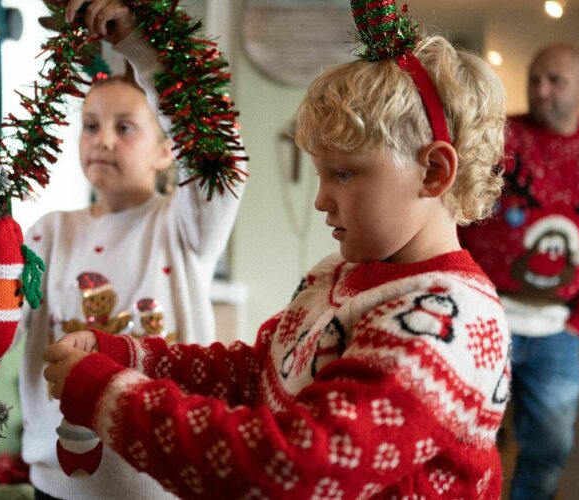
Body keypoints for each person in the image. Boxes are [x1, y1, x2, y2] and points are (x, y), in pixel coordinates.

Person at [44, 1, 511, 498]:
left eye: (344, 174)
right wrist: (127, 355)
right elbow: (256, 374)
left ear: (435, 172)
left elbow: (298, 464)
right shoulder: (338, 273)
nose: (321, 200)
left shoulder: (451, 322)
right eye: (321, 174)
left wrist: (109, 396)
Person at [16, 3, 245, 498]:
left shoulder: (181, 226)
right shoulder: (47, 233)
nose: (102, 141)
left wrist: (140, 46)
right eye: (91, 125)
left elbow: (219, 155)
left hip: (159, 483)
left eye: (125, 127)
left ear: (167, 150)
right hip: (57, 484)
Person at [459, 44, 579, 500]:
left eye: (555, 81)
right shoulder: (500, 138)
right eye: (535, 79)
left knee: (549, 447)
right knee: (463, 434)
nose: (541, 91)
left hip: (557, 329)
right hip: (485, 314)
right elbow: (460, 209)